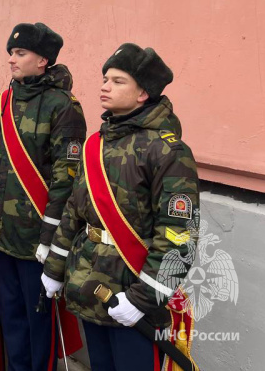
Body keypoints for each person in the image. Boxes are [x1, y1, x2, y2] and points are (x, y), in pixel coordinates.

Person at [42, 44, 200, 371]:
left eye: (117, 80)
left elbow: (179, 237)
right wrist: (55, 269)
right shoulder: (94, 145)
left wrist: (141, 300)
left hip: (133, 299)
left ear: (143, 92)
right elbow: (74, 211)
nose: (104, 86)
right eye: (104, 78)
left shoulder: (168, 151)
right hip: (90, 289)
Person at [0, 22, 86, 371]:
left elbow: (67, 179)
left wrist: (50, 237)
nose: (11, 60)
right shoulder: (4, 101)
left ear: (43, 60)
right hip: (3, 235)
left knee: (36, 323)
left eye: (20, 53)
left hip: (38, 241)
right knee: (11, 320)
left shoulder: (64, 107)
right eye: (10, 53)